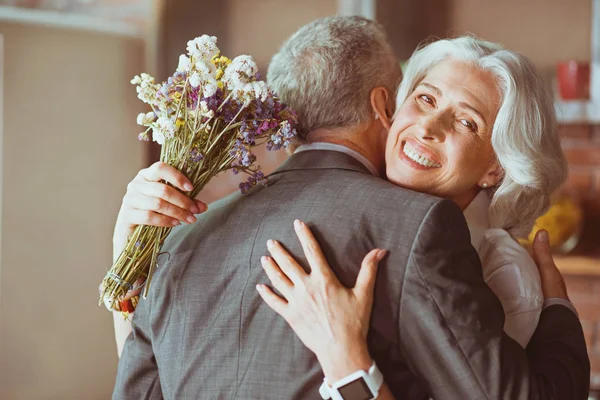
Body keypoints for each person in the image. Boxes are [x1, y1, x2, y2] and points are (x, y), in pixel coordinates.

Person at [112, 17, 589, 399]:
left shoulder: (181, 240)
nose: (427, 127)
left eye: (466, 121)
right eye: (423, 98)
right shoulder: (414, 226)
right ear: (386, 106)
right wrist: (560, 312)